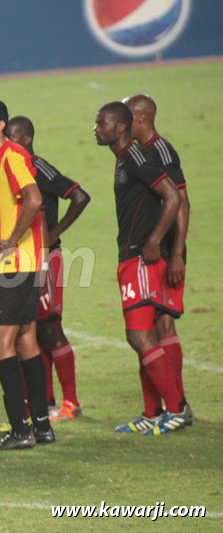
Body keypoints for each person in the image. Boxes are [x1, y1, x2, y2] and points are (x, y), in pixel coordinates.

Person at [94, 102, 189, 435]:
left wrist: (155, 241)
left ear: (121, 127)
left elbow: (174, 197)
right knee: (143, 335)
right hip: (131, 257)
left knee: (140, 334)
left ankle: (176, 409)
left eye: (101, 123)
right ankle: (153, 412)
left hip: (141, 257)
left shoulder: (135, 156)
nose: (96, 128)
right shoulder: (126, 159)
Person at [0, 96, 54, 450]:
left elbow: (34, 200)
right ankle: (42, 426)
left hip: (15, 265)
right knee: (25, 341)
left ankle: (20, 431)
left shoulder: (12, 156)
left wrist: (12, 241)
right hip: (22, 264)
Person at [6, 116, 91, 421]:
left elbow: (80, 196)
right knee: (34, 329)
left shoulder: (38, 167)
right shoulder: (13, 167)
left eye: (11, 138)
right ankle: (48, 400)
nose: (6, 144)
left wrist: (54, 233)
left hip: (46, 258)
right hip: (26, 259)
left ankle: (71, 402)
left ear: (26, 139)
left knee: (51, 327)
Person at [124, 94, 191, 422]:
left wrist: (176, 253)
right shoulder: (137, 154)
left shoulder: (161, 151)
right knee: (149, 328)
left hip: (165, 251)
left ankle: (178, 405)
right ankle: (158, 410)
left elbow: (181, 202)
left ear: (140, 118)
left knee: (162, 327)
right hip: (153, 251)